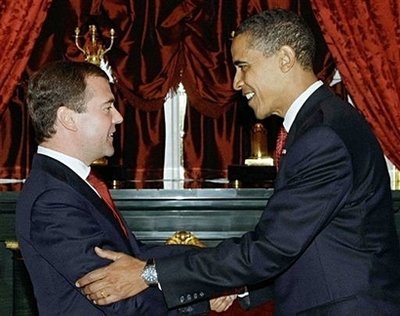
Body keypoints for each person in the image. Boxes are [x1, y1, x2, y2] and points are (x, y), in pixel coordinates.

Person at [76, 9, 400, 315]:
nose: (235, 82)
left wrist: (149, 274)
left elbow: (271, 247)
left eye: (243, 66)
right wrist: (242, 288)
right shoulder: (320, 123)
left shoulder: (322, 136)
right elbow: (310, 244)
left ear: (285, 59)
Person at [15, 60, 235, 315]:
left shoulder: (72, 184)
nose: (118, 117)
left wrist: (214, 265)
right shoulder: (52, 199)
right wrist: (202, 299)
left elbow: (135, 256)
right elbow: (115, 296)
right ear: (68, 118)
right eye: (107, 107)